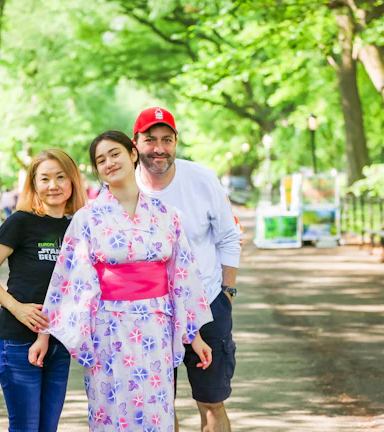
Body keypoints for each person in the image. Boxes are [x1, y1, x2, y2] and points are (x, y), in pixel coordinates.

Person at [32, 131, 214, 432]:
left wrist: (194, 335)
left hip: (156, 325)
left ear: (132, 154)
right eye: (100, 160)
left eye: (114, 154)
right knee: (111, 410)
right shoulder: (87, 218)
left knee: (156, 409)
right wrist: (44, 334)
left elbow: (182, 276)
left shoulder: (168, 215)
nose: (109, 163)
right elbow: (69, 281)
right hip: (109, 329)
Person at [133, 107, 243, 432]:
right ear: (135, 142)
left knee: (211, 403)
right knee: (160, 404)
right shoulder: (124, 189)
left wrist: (227, 295)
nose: (159, 148)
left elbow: (229, 237)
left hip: (207, 307)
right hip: (151, 313)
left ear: (176, 142)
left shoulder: (202, 179)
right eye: (150, 139)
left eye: (167, 139)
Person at [0, 149, 86, 432]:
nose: (53, 185)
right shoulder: (20, 222)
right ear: (34, 184)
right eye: (44, 178)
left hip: (57, 344)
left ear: (72, 181)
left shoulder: (77, 227)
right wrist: (17, 307)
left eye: (61, 177)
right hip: (16, 343)